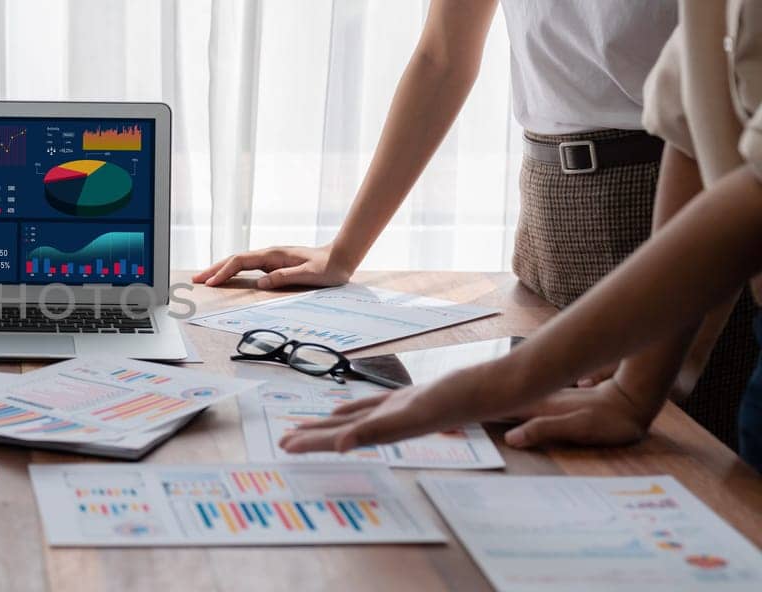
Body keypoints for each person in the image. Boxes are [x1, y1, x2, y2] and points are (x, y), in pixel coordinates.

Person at [190, 0, 758, 450]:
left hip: (683, 203)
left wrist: (637, 387)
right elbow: (441, 56)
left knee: (683, 463)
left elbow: (702, 119)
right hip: (551, 207)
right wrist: (344, 250)